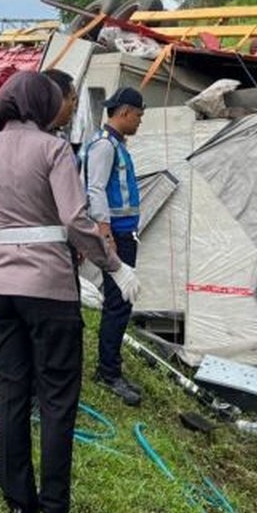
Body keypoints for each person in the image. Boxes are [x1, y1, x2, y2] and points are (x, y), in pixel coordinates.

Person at [0, 72, 139, 513]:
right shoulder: (54, 150)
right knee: (57, 400)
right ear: (42, 105)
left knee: (11, 392)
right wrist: (114, 265)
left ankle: (19, 503)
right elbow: (75, 220)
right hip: (48, 288)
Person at [82, 86, 146, 406]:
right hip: (115, 236)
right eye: (138, 115)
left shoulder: (115, 145)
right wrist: (106, 237)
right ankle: (109, 372)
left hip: (124, 233)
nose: (139, 121)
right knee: (118, 303)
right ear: (124, 112)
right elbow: (95, 190)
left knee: (121, 303)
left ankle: (111, 367)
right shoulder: (105, 146)